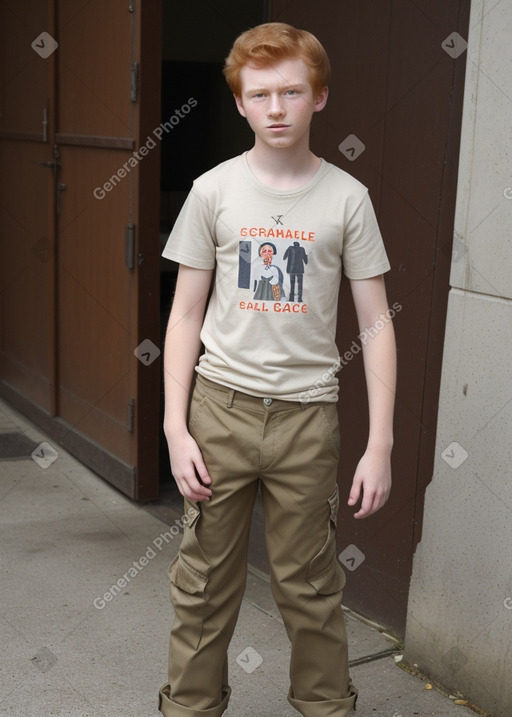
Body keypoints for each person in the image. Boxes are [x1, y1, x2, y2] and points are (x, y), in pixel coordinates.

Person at [159, 21, 396, 717]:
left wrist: (379, 442)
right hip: (219, 412)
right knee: (202, 582)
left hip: (306, 418)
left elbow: (375, 323)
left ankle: (326, 706)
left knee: (311, 585)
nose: (277, 107)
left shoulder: (347, 198)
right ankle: (189, 709)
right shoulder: (213, 191)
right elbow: (182, 318)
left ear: (319, 97)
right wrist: (175, 426)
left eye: (292, 90)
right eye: (260, 93)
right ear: (239, 102)